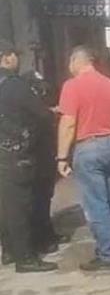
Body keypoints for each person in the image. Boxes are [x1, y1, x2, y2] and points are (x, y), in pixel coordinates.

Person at [56, 46, 110, 272]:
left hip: (89, 146)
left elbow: (68, 123)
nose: (68, 68)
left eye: (69, 63)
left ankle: (109, 254)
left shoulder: (72, 86)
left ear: (77, 61)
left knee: (96, 204)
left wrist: (61, 157)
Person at [0, 40, 58, 272]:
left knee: (5, 205)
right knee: (21, 206)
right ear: (5, 57)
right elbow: (41, 115)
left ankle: (9, 251)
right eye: (14, 55)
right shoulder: (15, 85)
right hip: (18, 152)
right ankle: (26, 258)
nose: (17, 59)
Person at [21, 70, 66, 253]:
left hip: (45, 153)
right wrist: (50, 112)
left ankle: (47, 233)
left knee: (45, 197)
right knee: (37, 199)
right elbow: (38, 118)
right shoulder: (25, 101)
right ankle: (41, 237)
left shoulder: (38, 100)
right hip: (34, 155)